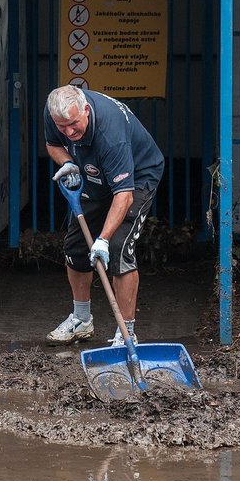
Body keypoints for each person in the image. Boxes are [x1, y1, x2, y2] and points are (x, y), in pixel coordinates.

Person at [43, 85, 164, 346]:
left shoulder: (111, 135)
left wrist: (104, 239)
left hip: (138, 177)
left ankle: (126, 331)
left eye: (74, 125)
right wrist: (67, 162)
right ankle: (82, 319)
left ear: (85, 110)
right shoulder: (56, 113)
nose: (69, 132)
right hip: (94, 173)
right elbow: (52, 144)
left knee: (119, 248)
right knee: (75, 248)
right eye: (63, 127)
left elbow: (124, 195)